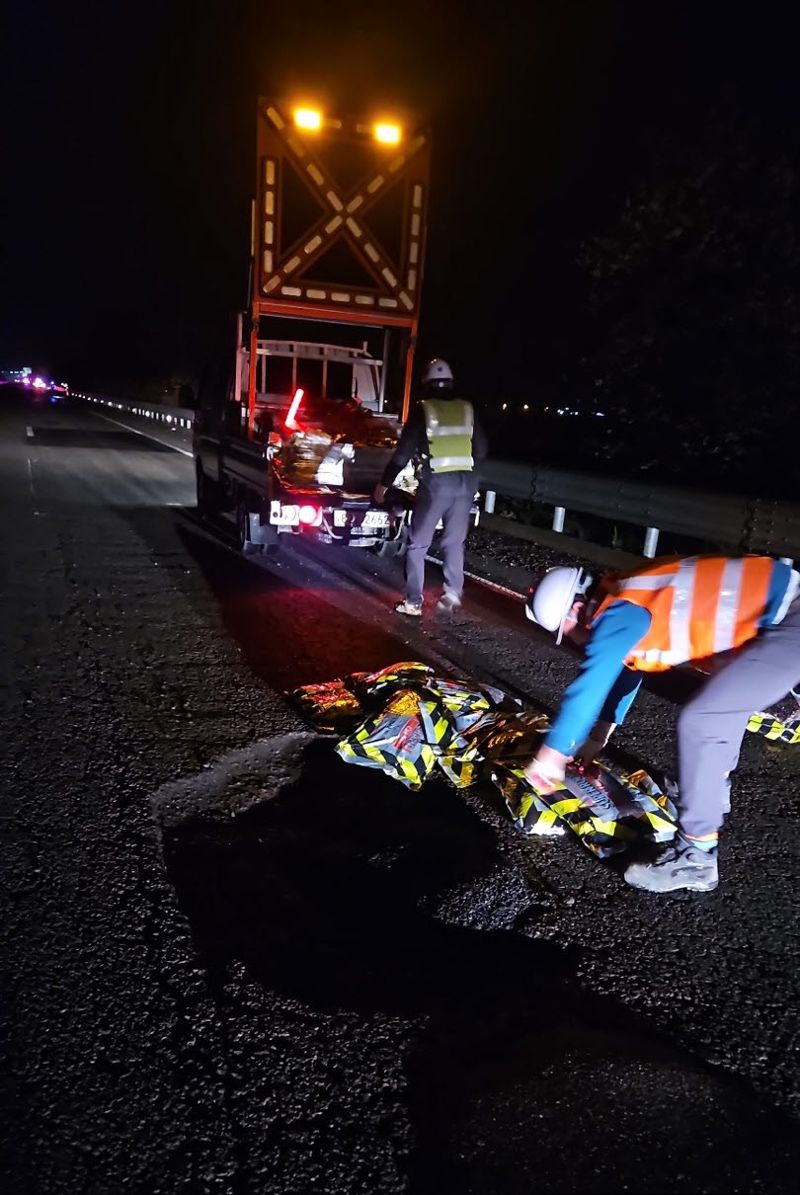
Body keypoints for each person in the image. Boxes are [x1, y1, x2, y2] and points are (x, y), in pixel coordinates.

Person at [522, 556, 800, 893]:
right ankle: (709, 799)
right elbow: (627, 669)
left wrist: (553, 752)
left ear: (574, 611)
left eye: (564, 632)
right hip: (780, 621)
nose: (574, 640)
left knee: (704, 719)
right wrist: (599, 736)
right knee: (722, 704)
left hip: (790, 621)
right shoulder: (626, 598)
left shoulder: (617, 612)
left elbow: (593, 680)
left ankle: (696, 856)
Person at [374, 358, 487, 616]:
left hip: (437, 485)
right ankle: (453, 593)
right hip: (467, 484)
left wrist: (384, 484)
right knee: (454, 542)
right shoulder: (467, 409)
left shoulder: (423, 410)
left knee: (418, 545)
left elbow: (402, 455)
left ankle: (413, 602)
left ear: (426, 384)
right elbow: (481, 449)